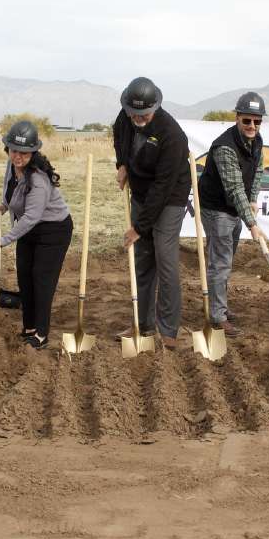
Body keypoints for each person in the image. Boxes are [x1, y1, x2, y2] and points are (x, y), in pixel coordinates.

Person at [113, 77, 192, 350]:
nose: (139, 119)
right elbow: (119, 136)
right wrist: (121, 163)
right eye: (135, 114)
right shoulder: (125, 118)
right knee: (142, 259)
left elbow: (163, 188)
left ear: (155, 107)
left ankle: (168, 329)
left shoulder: (171, 135)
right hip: (141, 191)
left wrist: (138, 228)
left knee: (165, 257)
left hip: (169, 196)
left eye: (144, 115)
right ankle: (142, 324)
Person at [0, 121, 73, 350]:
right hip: (30, 228)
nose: (17, 156)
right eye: (13, 150)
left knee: (41, 279)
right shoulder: (11, 166)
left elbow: (31, 216)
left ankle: (41, 334)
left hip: (53, 230)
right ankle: (28, 327)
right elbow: (9, 188)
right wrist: (5, 204)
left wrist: (5, 239)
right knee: (25, 277)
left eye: (23, 152)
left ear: (33, 151)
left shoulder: (38, 179)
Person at [196, 91, 267, 337]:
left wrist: (254, 198)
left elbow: (258, 171)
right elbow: (235, 188)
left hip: (233, 209)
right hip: (216, 209)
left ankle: (220, 306)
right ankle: (217, 317)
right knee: (221, 262)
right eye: (247, 120)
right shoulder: (224, 147)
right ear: (237, 118)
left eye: (257, 121)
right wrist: (252, 224)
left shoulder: (256, 141)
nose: (252, 126)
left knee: (226, 258)